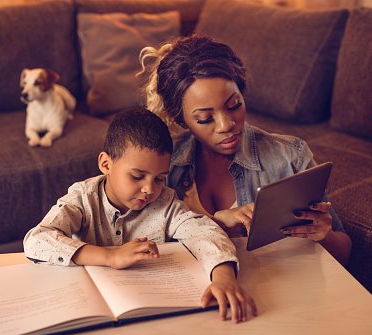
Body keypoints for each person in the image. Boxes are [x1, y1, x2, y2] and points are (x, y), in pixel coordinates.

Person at [24, 108, 257, 323]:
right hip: (85, 310)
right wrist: (109, 257)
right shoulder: (82, 198)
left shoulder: (165, 202)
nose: (149, 189)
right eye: (137, 176)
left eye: (159, 178)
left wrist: (224, 277)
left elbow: (205, 231)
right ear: (106, 164)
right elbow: (37, 240)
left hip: (151, 312)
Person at [138, 35, 351, 265]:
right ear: (181, 121)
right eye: (205, 118)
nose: (226, 125)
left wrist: (324, 235)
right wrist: (217, 221)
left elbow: (344, 252)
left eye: (234, 105)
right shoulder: (165, 163)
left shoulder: (290, 157)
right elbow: (146, 241)